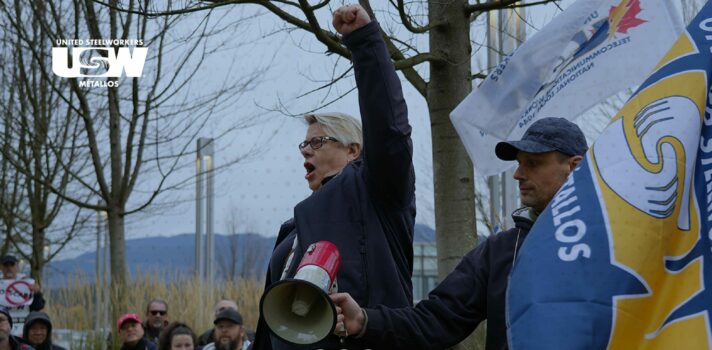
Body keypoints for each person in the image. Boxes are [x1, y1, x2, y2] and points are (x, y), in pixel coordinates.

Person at [330, 117, 588, 350]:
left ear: (574, 167)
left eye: (533, 163)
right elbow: (435, 320)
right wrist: (363, 320)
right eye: (519, 164)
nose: (518, 175)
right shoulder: (498, 252)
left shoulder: (616, 244)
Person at [252, 3, 416, 350]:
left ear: (354, 150)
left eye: (317, 141)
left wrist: (365, 42)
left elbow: (389, 132)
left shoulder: (378, 194)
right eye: (303, 143)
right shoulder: (293, 230)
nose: (305, 151)